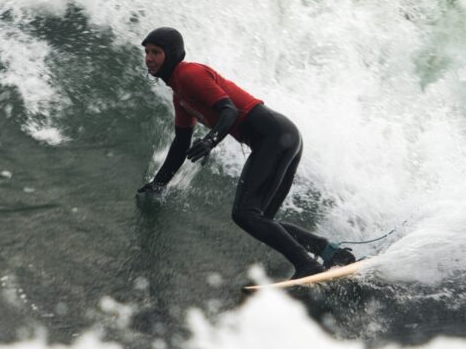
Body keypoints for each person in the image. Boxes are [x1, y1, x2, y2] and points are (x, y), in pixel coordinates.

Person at [136, 27, 356, 280]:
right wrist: (159, 183)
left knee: (245, 214)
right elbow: (180, 145)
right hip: (282, 137)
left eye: (156, 52)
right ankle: (330, 253)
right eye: (147, 52)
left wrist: (210, 141)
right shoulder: (180, 96)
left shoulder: (189, 73)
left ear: (172, 55)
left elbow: (228, 110)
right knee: (262, 221)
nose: (149, 58)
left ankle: (307, 265)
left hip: (273, 136)